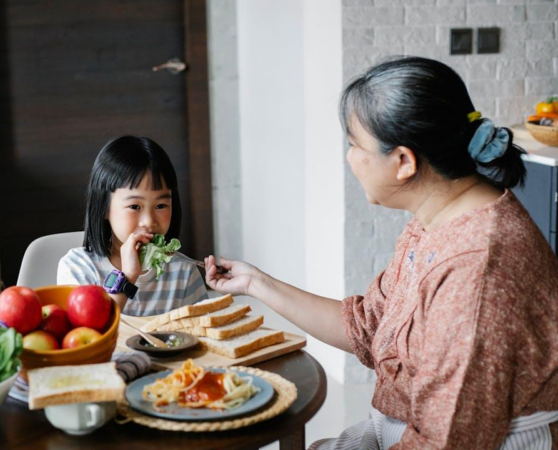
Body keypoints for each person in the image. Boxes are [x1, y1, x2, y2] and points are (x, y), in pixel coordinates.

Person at [205, 56, 558, 449]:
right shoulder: (435, 220)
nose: (350, 157)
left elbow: (447, 442)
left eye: (355, 144)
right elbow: (369, 327)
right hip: (400, 428)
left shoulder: (477, 267)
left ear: (403, 161)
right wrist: (256, 283)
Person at [58, 135, 208, 316]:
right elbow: (90, 336)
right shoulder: (78, 267)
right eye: (134, 206)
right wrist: (127, 277)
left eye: (160, 206)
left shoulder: (183, 272)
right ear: (104, 208)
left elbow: (202, 336)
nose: (149, 221)